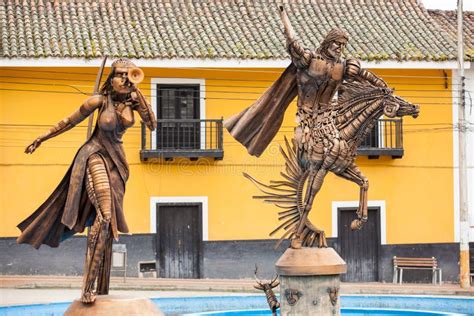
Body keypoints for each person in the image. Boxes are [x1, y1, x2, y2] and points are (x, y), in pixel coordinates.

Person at [225, 7, 388, 248]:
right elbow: (293, 43)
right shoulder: (308, 61)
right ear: (328, 42)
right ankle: (300, 231)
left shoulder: (341, 68)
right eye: (337, 44)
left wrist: (381, 87)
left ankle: (307, 222)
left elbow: (365, 75)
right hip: (306, 122)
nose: (340, 49)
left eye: (343, 46)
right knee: (318, 160)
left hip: (328, 121)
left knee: (337, 152)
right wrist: (284, 18)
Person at [17, 58, 157, 303]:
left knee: (107, 221)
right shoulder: (99, 102)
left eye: (129, 74)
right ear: (110, 79)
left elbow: (152, 125)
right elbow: (68, 122)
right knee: (104, 214)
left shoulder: (134, 103)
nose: (125, 78)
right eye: (120, 74)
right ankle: (88, 287)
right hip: (94, 154)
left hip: (118, 163)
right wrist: (42, 137)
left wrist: (138, 93)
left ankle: (98, 283)